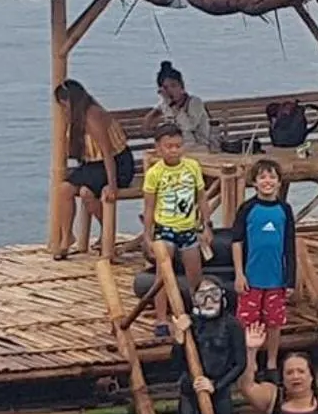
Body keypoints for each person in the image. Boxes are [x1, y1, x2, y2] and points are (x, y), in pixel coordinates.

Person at [54, 79, 135, 257]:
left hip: (116, 163)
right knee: (64, 189)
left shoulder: (92, 117)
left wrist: (112, 184)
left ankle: (107, 232)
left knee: (86, 192)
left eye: (64, 105)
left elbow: (107, 153)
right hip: (93, 165)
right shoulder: (76, 118)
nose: (64, 109)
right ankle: (67, 237)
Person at [231, 158, 296, 378]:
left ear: (279, 182)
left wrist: (290, 279)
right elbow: (237, 242)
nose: (267, 181)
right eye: (262, 177)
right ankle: (249, 363)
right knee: (248, 321)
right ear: (254, 182)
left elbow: (289, 245)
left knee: (274, 323)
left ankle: (271, 363)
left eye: (272, 177)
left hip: (276, 279)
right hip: (251, 279)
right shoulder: (247, 208)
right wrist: (239, 274)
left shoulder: (284, 209)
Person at [142, 124, 212, 325]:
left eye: (178, 146)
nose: (174, 150)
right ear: (158, 148)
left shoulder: (192, 167)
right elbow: (149, 206)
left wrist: (206, 225)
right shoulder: (155, 173)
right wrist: (147, 235)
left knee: (195, 275)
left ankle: (198, 314)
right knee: (163, 276)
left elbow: (201, 198)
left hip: (189, 228)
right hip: (165, 228)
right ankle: (162, 319)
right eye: (169, 146)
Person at [167, 276, 244, 414]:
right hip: (191, 390)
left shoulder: (232, 325)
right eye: (202, 296)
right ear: (195, 301)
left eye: (214, 294)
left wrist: (215, 385)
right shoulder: (189, 324)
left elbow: (240, 364)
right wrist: (179, 338)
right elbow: (175, 365)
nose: (209, 301)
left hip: (219, 391)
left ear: (222, 296)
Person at [152, 62, 215, 151]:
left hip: (198, 146)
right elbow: (150, 119)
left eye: (174, 86)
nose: (171, 90)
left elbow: (188, 126)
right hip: (174, 147)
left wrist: (172, 105)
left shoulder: (194, 102)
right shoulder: (164, 104)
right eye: (166, 88)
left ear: (181, 86)